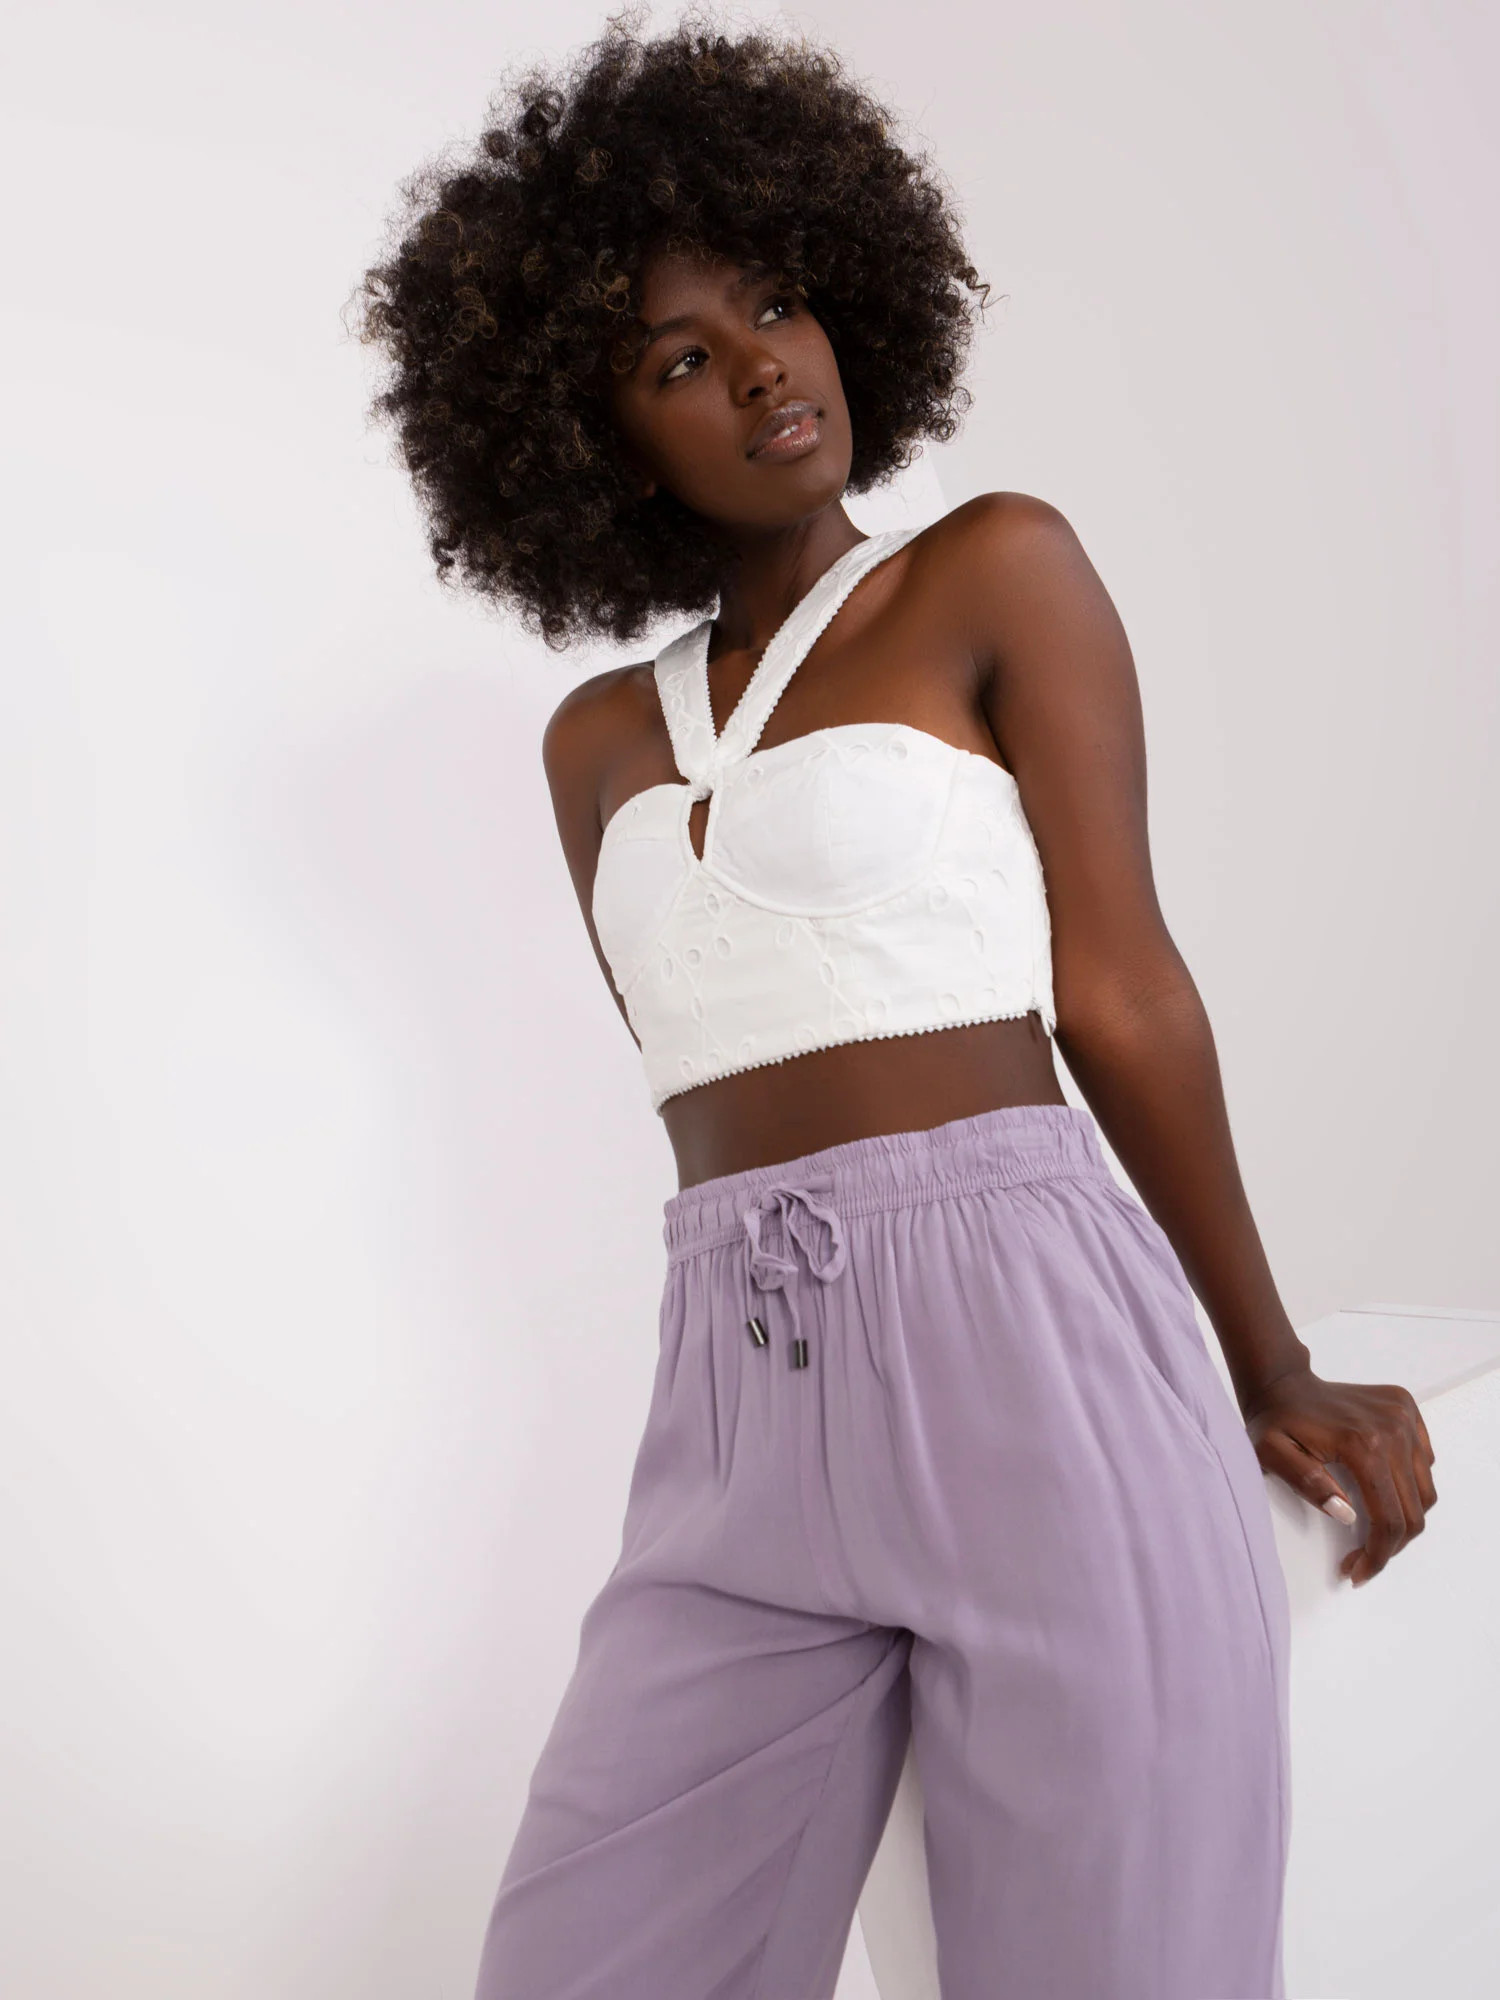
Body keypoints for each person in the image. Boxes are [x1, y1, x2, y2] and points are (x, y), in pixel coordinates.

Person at [354, 13, 1437, 1997]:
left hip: (1033, 1349)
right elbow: (702, 1065)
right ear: (590, 437)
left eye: (777, 305)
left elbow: (1122, 991)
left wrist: (1270, 1362)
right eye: (682, 359)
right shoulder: (595, 741)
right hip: (735, 1399)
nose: (765, 365)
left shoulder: (991, 573)